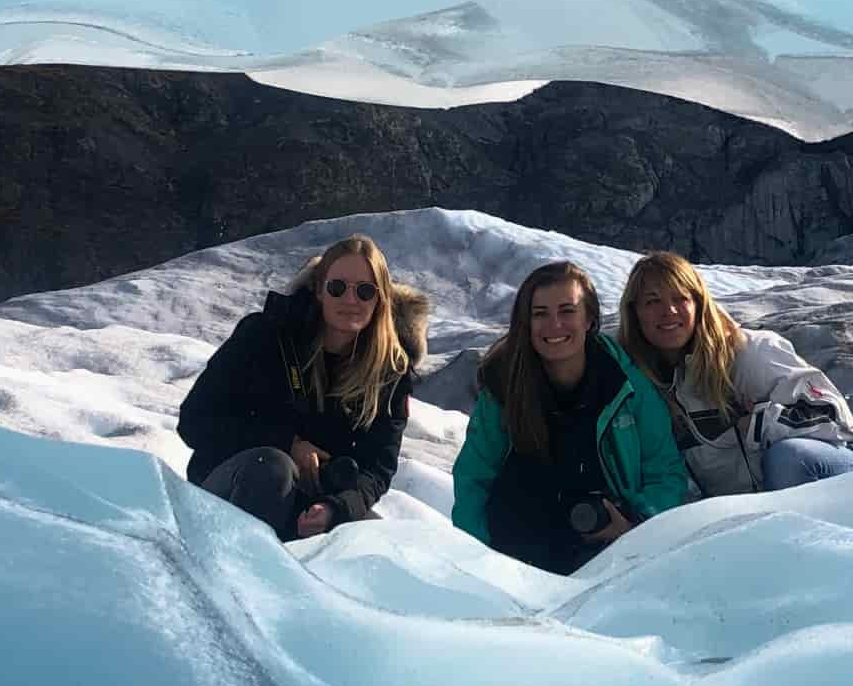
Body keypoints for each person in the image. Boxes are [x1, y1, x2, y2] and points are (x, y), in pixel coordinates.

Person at [178, 235, 429, 541]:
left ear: (380, 301)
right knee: (272, 467)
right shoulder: (265, 335)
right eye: (338, 288)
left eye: (365, 291)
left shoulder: (389, 372)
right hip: (227, 496)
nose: (351, 301)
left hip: (311, 505)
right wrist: (287, 444)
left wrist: (336, 508)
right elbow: (194, 421)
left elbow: (377, 469)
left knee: (375, 545)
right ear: (319, 288)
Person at [451, 261, 687, 574]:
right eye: (540, 314)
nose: (554, 325)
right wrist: (477, 561)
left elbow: (665, 471)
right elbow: (473, 478)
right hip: (513, 564)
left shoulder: (623, 385)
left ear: (589, 318)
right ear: (526, 322)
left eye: (567, 311)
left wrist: (635, 523)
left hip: (606, 561)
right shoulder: (504, 387)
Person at [618, 251, 853, 497]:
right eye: (653, 301)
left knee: (788, 458)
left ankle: (801, 541)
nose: (669, 311)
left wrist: (758, 423)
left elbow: (834, 419)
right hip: (748, 504)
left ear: (698, 304)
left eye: (680, 298)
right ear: (635, 311)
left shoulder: (750, 352)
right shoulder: (638, 383)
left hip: (839, 471)